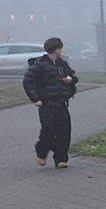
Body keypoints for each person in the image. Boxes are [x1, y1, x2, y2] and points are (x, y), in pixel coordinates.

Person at [23, 36, 79, 168]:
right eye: (59, 48)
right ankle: (41, 152)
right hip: (47, 104)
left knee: (64, 132)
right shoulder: (40, 65)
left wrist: (70, 79)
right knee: (48, 130)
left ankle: (61, 159)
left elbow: (74, 77)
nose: (61, 51)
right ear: (54, 50)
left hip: (62, 103)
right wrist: (35, 99)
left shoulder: (62, 64)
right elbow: (27, 81)